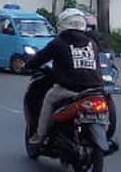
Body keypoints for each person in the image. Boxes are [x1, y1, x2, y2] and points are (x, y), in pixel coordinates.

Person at [25, 8, 105, 145]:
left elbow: (40, 58)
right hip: (95, 89)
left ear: (62, 24)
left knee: (49, 99)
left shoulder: (59, 42)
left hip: (69, 89)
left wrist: (28, 64)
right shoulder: (92, 42)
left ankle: (40, 135)